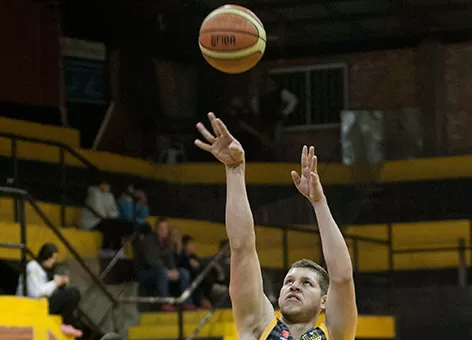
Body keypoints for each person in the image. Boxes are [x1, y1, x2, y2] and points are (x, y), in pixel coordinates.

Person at [194, 113, 357, 340]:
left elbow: (342, 278)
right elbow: (242, 247)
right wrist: (234, 170)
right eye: (288, 281)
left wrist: (318, 203)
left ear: (324, 301)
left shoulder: (336, 335)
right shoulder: (258, 327)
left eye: (306, 283)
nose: (294, 287)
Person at [16, 243, 83, 337]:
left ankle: (64, 324)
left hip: (41, 304)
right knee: (73, 293)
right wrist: (56, 283)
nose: (54, 262)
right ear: (46, 257)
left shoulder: (44, 270)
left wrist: (60, 282)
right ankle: (61, 324)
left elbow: (49, 282)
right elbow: (36, 293)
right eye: (53, 258)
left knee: (72, 300)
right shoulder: (32, 267)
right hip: (33, 306)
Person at [137, 217, 196, 311]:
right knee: (163, 272)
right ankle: (165, 302)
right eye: (161, 228)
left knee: (184, 272)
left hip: (163, 270)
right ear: (156, 229)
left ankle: (187, 302)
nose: (164, 231)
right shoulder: (148, 241)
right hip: (147, 272)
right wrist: (168, 270)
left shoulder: (166, 242)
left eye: (165, 228)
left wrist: (173, 269)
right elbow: (151, 261)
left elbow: (170, 259)